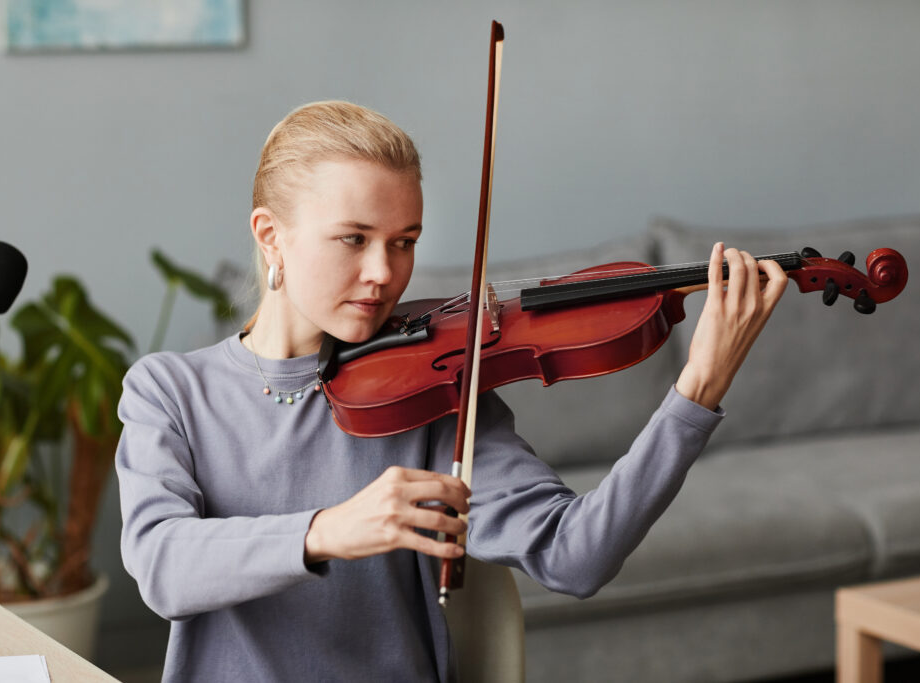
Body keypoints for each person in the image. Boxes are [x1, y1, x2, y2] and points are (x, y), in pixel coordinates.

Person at [115, 100, 788, 682]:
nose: (384, 273)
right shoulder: (170, 391)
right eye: (354, 238)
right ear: (272, 236)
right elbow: (163, 566)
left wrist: (696, 389)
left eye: (403, 241)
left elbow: (577, 555)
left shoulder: (436, 390)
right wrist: (330, 529)